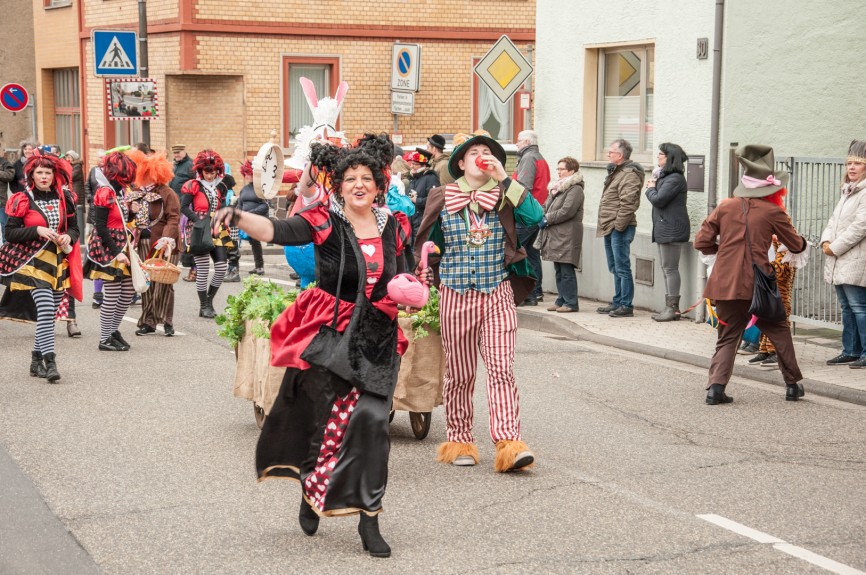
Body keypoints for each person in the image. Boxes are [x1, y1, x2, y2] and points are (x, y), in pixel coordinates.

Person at [212, 134, 406, 558]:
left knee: (373, 424)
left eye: (367, 178)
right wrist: (239, 216)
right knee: (326, 428)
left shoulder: (395, 226)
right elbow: (277, 229)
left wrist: (410, 288)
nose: (359, 184)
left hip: (378, 339)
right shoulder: (323, 222)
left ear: (378, 185)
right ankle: (310, 486)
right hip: (331, 335)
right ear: (338, 186)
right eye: (350, 178)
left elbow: (401, 274)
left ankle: (369, 518)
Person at [414, 132, 543, 472]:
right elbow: (426, 241)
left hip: (497, 292)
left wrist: (504, 177)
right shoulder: (442, 196)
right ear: (460, 163)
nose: (483, 157)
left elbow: (537, 217)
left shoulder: (505, 194)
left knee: (501, 368)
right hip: (455, 295)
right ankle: (459, 438)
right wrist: (425, 271)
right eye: (475, 152)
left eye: (489, 152)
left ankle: (509, 442)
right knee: (459, 374)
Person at [694, 144, 808, 404]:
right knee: (779, 330)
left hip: (724, 282)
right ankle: (792, 386)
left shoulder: (725, 206)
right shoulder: (773, 211)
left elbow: (701, 241)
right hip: (760, 285)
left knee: (727, 337)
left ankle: (715, 389)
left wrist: (723, 251)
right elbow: (795, 245)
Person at [0, 153, 80, 382]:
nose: (44, 177)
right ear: (31, 175)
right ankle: (50, 361)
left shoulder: (65, 198)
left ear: (54, 175)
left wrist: (68, 238)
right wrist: (36, 231)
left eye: (48, 173)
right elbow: (10, 234)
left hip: (56, 263)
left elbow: (74, 228)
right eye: (39, 173)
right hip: (31, 262)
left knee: (48, 315)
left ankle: (35, 360)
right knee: (45, 311)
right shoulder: (22, 198)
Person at [84, 151, 139, 352]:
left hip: (122, 245)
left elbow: (122, 221)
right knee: (113, 294)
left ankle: (113, 331)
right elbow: (100, 226)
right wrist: (117, 252)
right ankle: (104, 338)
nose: (127, 182)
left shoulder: (117, 192)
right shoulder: (104, 192)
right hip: (108, 248)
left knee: (127, 293)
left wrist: (131, 210)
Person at [820, 139, 866, 369]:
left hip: (855, 259)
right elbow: (833, 221)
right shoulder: (848, 191)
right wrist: (826, 239)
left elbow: (861, 226)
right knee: (847, 308)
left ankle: (865, 352)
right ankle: (850, 350)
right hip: (840, 258)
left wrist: (835, 246)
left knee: (859, 307)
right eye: (849, 163)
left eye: (857, 164)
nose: (852, 167)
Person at [127, 150, 181, 337]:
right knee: (147, 283)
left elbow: (173, 218)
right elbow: (128, 218)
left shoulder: (167, 193)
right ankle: (148, 322)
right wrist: (130, 211)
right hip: (142, 242)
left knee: (165, 283)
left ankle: (167, 321)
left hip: (166, 245)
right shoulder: (135, 194)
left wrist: (167, 239)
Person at [180, 149, 234, 319]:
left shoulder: (220, 188)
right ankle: (204, 305)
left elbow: (222, 207)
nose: (210, 176)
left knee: (220, 268)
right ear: (201, 171)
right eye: (207, 172)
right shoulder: (194, 186)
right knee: (203, 270)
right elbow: (183, 208)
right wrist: (197, 220)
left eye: (213, 172)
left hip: (217, 228)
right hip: (199, 229)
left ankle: (209, 301)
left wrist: (226, 218)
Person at [596, 139, 644, 318]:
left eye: (611, 152)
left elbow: (628, 203)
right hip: (610, 226)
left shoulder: (629, 174)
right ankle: (617, 301)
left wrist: (618, 226)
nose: (608, 155)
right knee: (614, 266)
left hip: (620, 227)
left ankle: (626, 305)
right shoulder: (617, 172)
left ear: (620, 155)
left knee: (622, 267)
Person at [645, 142, 690, 322]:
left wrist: (649, 188)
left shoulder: (675, 179)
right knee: (667, 269)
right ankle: (669, 307)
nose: (658, 157)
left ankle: (673, 309)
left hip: (672, 229)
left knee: (670, 269)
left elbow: (659, 199)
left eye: (661, 154)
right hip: (665, 227)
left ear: (670, 158)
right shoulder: (665, 177)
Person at [539, 156, 584, 313]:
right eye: (557, 168)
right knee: (558, 269)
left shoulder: (575, 189)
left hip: (567, 235)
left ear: (571, 171)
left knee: (566, 270)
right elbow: (546, 206)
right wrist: (541, 215)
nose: (558, 172)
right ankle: (561, 300)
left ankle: (571, 302)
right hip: (556, 234)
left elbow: (567, 211)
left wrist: (547, 219)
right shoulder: (557, 187)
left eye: (562, 169)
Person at [513, 130, 550, 306]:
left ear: (526, 141)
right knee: (532, 253)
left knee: (517, 250)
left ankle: (528, 292)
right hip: (537, 211)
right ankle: (536, 291)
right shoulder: (538, 157)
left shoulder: (528, 158)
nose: (516, 144)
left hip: (526, 213)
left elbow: (522, 187)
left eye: (519, 141)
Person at [237, 160, 269, 275]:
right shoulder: (244, 189)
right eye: (245, 174)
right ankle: (235, 266)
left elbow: (265, 206)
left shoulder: (261, 188)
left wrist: (251, 213)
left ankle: (259, 267)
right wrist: (238, 215)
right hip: (245, 220)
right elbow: (239, 204)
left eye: (249, 173)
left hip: (257, 220)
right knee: (250, 242)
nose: (247, 176)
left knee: (255, 242)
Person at [170, 144, 196, 282]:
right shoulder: (176, 166)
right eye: (175, 153)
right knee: (180, 239)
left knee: (189, 240)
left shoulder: (190, 166)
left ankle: (194, 269)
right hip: (175, 207)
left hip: (186, 208)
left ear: (185, 151)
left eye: (178, 152)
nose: (176, 155)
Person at [406, 149, 439, 238]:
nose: (411, 166)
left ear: (423, 165)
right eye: (411, 163)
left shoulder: (430, 178)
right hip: (413, 221)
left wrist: (417, 200)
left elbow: (435, 200)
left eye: (415, 164)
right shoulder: (413, 178)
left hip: (423, 222)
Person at [0, 142, 15, 244]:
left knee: (5, 225)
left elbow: (10, 175)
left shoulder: (4, 163)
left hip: (1, 201)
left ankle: (6, 249)